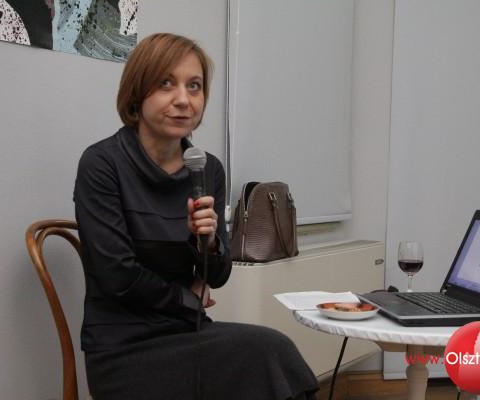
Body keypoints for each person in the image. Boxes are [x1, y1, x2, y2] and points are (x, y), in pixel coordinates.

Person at [73, 33, 318, 400]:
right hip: (123, 346)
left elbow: (217, 275)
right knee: (263, 356)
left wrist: (207, 241)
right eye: (166, 84)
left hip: (188, 331)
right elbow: (117, 276)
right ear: (137, 92)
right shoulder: (102, 163)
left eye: (194, 86)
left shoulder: (206, 169)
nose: (183, 100)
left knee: (274, 349)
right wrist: (187, 298)